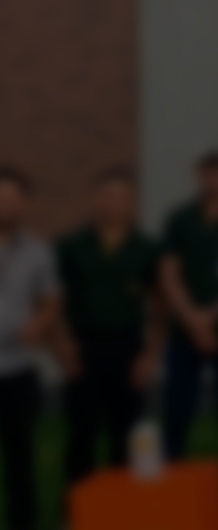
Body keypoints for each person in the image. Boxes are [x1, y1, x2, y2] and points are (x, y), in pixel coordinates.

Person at [57, 170, 161, 484]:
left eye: (122, 197)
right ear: (97, 201)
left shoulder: (144, 248)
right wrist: (63, 346)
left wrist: (149, 356)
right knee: (82, 429)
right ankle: (76, 507)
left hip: (129, 346)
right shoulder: (73, 246)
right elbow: (54, 299)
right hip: (83, 346)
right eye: (108, 196)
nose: (115, 204)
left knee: (128, 430)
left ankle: (122, 506)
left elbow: (160, 305)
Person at [158, 153, 218, 512]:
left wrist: (211, 317)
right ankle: (169, 481)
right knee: (177, 405)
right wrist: (193, 319)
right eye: (209, 174)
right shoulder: (181, 219)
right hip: (184, 330)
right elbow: (169, 272)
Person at [0, 168, 62, 530]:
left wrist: (39, 322)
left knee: (19, 453)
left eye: (12, 197)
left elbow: (51, 299)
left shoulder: (37, 252)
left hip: (18, 368)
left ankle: (23, 518)